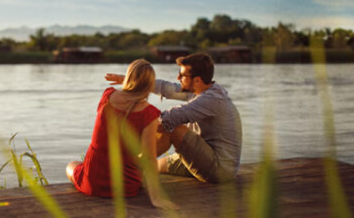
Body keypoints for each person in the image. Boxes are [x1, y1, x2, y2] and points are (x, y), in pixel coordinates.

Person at [105, 52, 241, 183]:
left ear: (197, 79)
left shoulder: (211, 100)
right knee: (156, 166)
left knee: (172, 127)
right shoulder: (199, 90)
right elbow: (167, 88)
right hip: (206, 157)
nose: (178, 78)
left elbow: (169, 118)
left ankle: (128, 169)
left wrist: (128, 130)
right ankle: (132, 169)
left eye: (182, 75)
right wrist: (129, 80)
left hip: (220, 169)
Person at [67, 59, 177, 209]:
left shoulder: (107, 96)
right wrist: (156, 198)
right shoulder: (150, 114)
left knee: (72, 165)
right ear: (150, 85)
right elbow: (149, 159)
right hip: (126, 186)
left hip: (93, 182)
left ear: (129, 78)